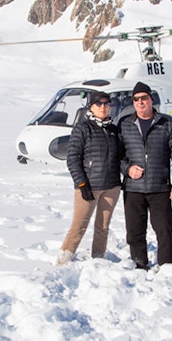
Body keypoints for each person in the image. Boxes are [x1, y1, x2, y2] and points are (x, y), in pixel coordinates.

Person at [118, 81, 172, 269]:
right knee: (134, 231)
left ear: (151, 99)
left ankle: (166, 266)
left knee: (164, 230)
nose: (140, 102)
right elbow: (117, 157)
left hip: (159, 187)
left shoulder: (167, 123)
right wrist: (127, 169)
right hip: (133, 189)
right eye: (136, 99)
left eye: (144, 98)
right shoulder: (125, 124)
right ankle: (139, 264)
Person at [58, 92, 123, 264]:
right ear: (91, 107)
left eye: (106, 104)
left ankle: (98, 259)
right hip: (89, 187)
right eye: (98, 104)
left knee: (103, 227)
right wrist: (81, 183)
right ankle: (63, 260)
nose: (103, 107)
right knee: (79, 226)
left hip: (112, 186)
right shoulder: (83, 128)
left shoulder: (113, 130)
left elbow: (121, 157)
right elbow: (73, 158)